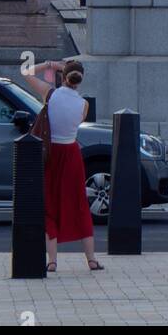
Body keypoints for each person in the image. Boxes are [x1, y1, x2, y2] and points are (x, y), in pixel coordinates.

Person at [21, 59, 102, 272]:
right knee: (79, 204)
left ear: (63, 76)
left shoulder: (50, 94)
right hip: (71, 153)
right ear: (80, 80)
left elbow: (25, 72)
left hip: (51, 153)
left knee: (50, 204)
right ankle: (91, 259)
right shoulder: (83, 105)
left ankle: (52, 260)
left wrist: (48, 65)